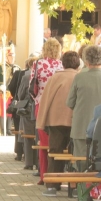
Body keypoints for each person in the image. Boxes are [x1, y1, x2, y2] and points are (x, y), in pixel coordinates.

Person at [66, 45, 101, 169]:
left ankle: (82, 181)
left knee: (81, 163)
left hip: (81, 128)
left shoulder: (79, 77)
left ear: (86, 61)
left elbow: (70, 103)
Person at [37, 51, 79, 196]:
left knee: (55, 152)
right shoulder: (80, 77)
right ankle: (74, 186)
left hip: (56, 120)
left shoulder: (55, 77)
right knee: (75, 154)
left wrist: (42, 121)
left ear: (63, 63)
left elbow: (46, 99)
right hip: (75, 121)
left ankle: (52, 186)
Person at [30, 39, 63, 181]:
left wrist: (37, 98)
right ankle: (56, 174)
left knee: (43, 142)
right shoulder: (62, 65)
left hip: (41, 104)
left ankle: (44, 175)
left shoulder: (38, 64)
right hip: (58, 106)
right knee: (57, 142)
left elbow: (32, 87)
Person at [0, 46, 19, 136]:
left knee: (11, 111)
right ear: (6, 56)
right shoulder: (0, 67)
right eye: (10, 55)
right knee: (3, 111)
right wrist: (0, 85)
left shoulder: (17, 68)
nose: (12, 57)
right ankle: (3, 130)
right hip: (4, 92)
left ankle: (9, 129)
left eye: (13, 55)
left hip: (12, 93)